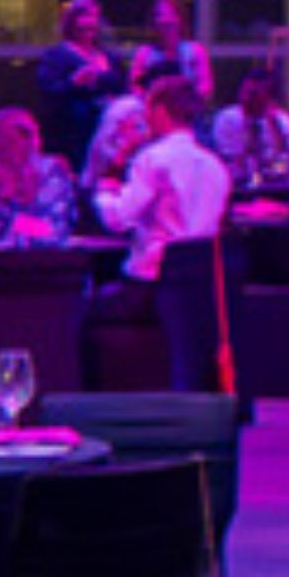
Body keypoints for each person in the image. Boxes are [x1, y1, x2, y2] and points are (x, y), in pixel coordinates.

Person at [96, 76, 236, 389]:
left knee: (87, 303)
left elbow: (119, 219)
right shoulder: (216, 166)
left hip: (153, 284)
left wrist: (105, 189)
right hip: (201, 286)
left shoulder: (153, 160)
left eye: (148, 109)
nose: (145, 117)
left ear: (161, 109)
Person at [0, 108, 77, 246]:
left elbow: (53, 230)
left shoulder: (51, 173)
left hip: (42, 256)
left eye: (9, 142)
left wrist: (12, 216)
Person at [36, 0, 129, 161]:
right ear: (71, 21)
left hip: (109, 135)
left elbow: (122, 87)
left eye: (94, 16)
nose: (89, 23)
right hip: (74, 137)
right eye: (84, 16)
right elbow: (47, 91)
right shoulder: (56, 56)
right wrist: (73, 83)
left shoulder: (110, 57)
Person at [207, 68, 289, 188]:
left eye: (253, 94)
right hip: (239, 185)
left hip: (277, 184)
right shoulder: (228, 119)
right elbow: (234, 161)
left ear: (268, 98)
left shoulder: (283, 122)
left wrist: (274, 127)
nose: (245, 99)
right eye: (243, 92)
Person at [131, 0, 216, 104]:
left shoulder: (195, 51)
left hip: (187, 108)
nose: (164, 21)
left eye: (169, 22)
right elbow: (135, 87)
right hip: (152, 107)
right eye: (160, 17)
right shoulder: (144, 54)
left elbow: (206, 87)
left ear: (180, 20)